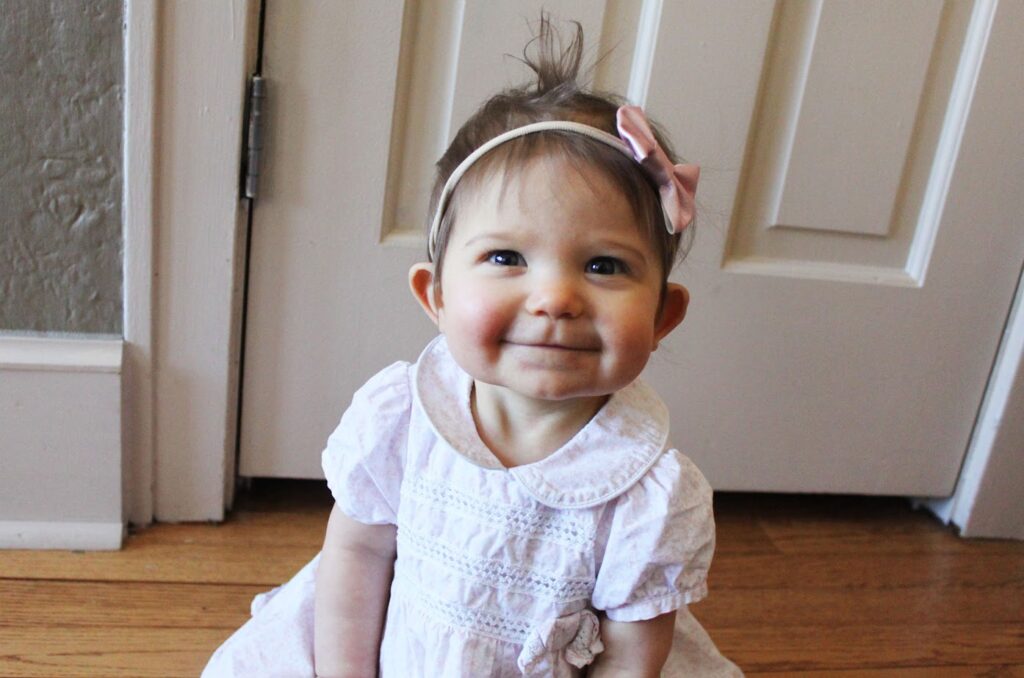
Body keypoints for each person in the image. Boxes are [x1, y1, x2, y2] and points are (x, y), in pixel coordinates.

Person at [203, 17, 741, 678]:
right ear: (436, 296)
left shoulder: (651, 493)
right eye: (507, 256)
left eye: (603, 266)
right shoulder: (401, 418)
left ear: (664, 315)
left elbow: (633, 655)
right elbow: (357, 560)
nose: (555, 298)